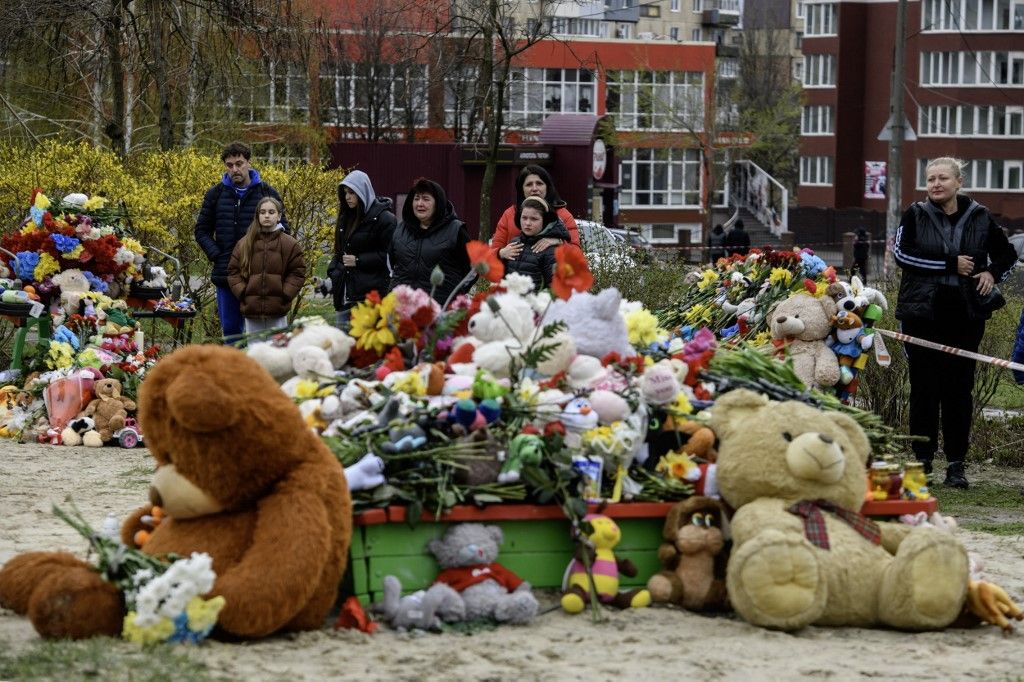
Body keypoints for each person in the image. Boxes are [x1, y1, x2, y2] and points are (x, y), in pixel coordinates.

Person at [893, 156, 1016, 489]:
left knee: (959, 391)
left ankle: (956, 465)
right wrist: (950, 264)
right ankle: (922, 463)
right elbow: (901, 255)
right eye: (930, 178)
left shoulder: (980, 216)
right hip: (922, 316)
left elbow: (1008, 255)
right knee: (923, 391)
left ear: (958, 182)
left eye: (942, 178)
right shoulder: (915, 215)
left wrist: (992, 273)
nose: (935, 184)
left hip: (965, 317)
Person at [194, 142, 287, 343]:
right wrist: (217, 255)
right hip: (226, 274)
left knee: (259, 333)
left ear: (248, 163)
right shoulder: (216, 194)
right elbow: (201, 230)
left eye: (239, 163)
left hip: (258, 275)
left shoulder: (267, 193)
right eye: (229, 165)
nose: (235, 169)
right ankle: (235, 372)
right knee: (231, 331)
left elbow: (284, 232)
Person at [226, 197, 305, 340]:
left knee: (277, 351)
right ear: (257, 216)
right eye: (262, 212)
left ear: (279, 216)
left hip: (277, 310)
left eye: (271, 212)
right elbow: (233, 271)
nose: (267, 215)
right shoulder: (244, 243)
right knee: (255, 351)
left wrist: (285, 294)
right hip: (252, 310)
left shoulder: (289, 244)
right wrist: (244, 292)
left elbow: (297, 272)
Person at [327, 170, 396, 328]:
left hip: (370, 298)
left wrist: (359, 260)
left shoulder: (385, 219)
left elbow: (389, 257)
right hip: (344, 297)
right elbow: (339, 252)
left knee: (367, 348)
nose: (347, 197)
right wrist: (334, 273)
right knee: (343, 348)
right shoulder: (346, 218)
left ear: (363, 191)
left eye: (352, 192)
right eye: (345, 193)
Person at [389, 177, 471, 304]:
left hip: (441, 311)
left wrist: (455, 295)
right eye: (416, 199)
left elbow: (471, 270)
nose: (419, 204)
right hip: (403, 308)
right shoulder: (400, 230)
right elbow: (391, 264)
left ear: (438, 203)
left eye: (426, 199)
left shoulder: (456, 230)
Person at [491, 165, 582, 260]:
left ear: (547, 187)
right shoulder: (509, 214)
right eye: (529, 184)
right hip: (514, 273)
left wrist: (559, 241)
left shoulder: (563, 215)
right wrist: (501, 252)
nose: (534, 188)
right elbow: (492, 252)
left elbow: (577, 254)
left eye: (539, 183)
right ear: (521, 189)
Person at [501, 196, 572, 291]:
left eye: (534, 219)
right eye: (524, 218)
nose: (527, 223)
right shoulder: (514, 243)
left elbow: (554, 289)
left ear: (544, 221)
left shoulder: (550, 250)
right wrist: (501, 255)